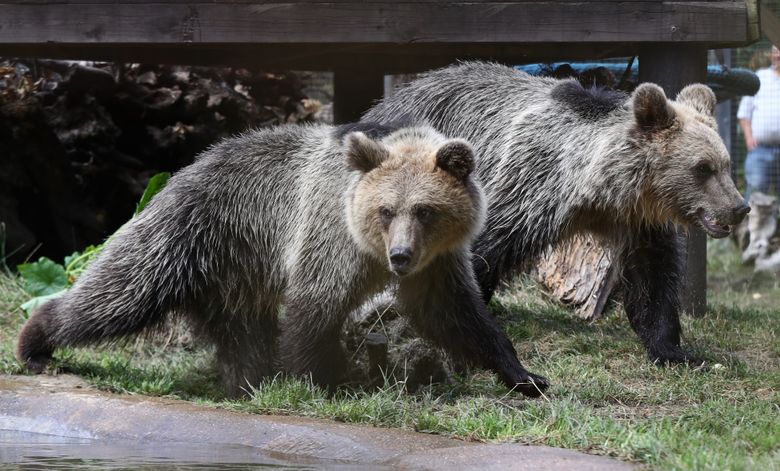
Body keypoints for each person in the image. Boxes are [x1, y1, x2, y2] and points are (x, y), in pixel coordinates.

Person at [738, 45, 780, 200]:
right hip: (759, 151)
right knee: (756, 198)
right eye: (775, 51)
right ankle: (753, 225)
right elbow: (744, 113)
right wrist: (749, 138)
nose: (778, 55)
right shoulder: (759, 77)